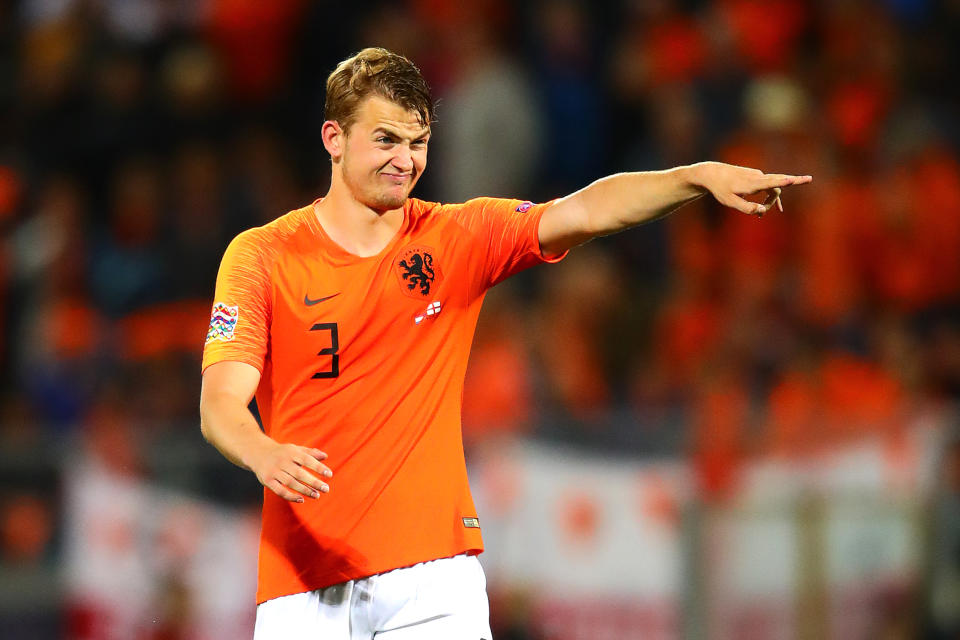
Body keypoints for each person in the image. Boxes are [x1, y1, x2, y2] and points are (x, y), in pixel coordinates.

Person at [198, 47, 811, 640]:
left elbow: (585, 211)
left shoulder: (457, 237)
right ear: (334, 138)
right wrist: (263, 453)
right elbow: (221, 401)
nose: (404, 161)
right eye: (385, 140)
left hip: (432, 583)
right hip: (302, 586)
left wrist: (691, 177)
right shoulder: (262, 256)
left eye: (418, 143)